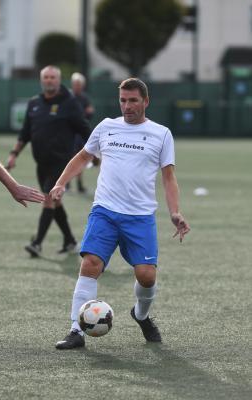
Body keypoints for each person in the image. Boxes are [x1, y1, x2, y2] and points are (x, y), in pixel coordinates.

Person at [50, 78, 190, 349]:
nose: (127, 106)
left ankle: (141, 315)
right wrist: (61, 182)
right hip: (105, 211)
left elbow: (169, 177)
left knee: (146, 276)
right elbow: (83, 157)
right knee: (90, 264)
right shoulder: (106, 127)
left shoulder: (161, 134)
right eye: (123, 101)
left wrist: (175, 212)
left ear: (146, 101)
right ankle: (76, 330)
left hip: (140, 216)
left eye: (133, 100)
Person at [6, 65, 91, 257]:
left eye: (53, 77)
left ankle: (37, 244)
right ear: (41, 80)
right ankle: (69, 240)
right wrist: (13, 155)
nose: (49, 80)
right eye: (46, 77)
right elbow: (25, 133)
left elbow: (84, 129)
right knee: (56, 201)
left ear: (59, 80)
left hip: (61, 163)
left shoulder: (69, 102)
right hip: (41, 163)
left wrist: (96, 153)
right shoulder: (34, 103)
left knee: (49, 199)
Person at [70, 72, 95, 193]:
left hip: (80, 134)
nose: (77, 86)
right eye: (75, 84)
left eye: (79, 84)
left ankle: (79, 185)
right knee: (68, 157)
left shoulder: (84, 98)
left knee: (81, 157)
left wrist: (86, 113)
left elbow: (90, 112)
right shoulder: (68, 97)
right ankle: (66, 184)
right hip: (69, 133)